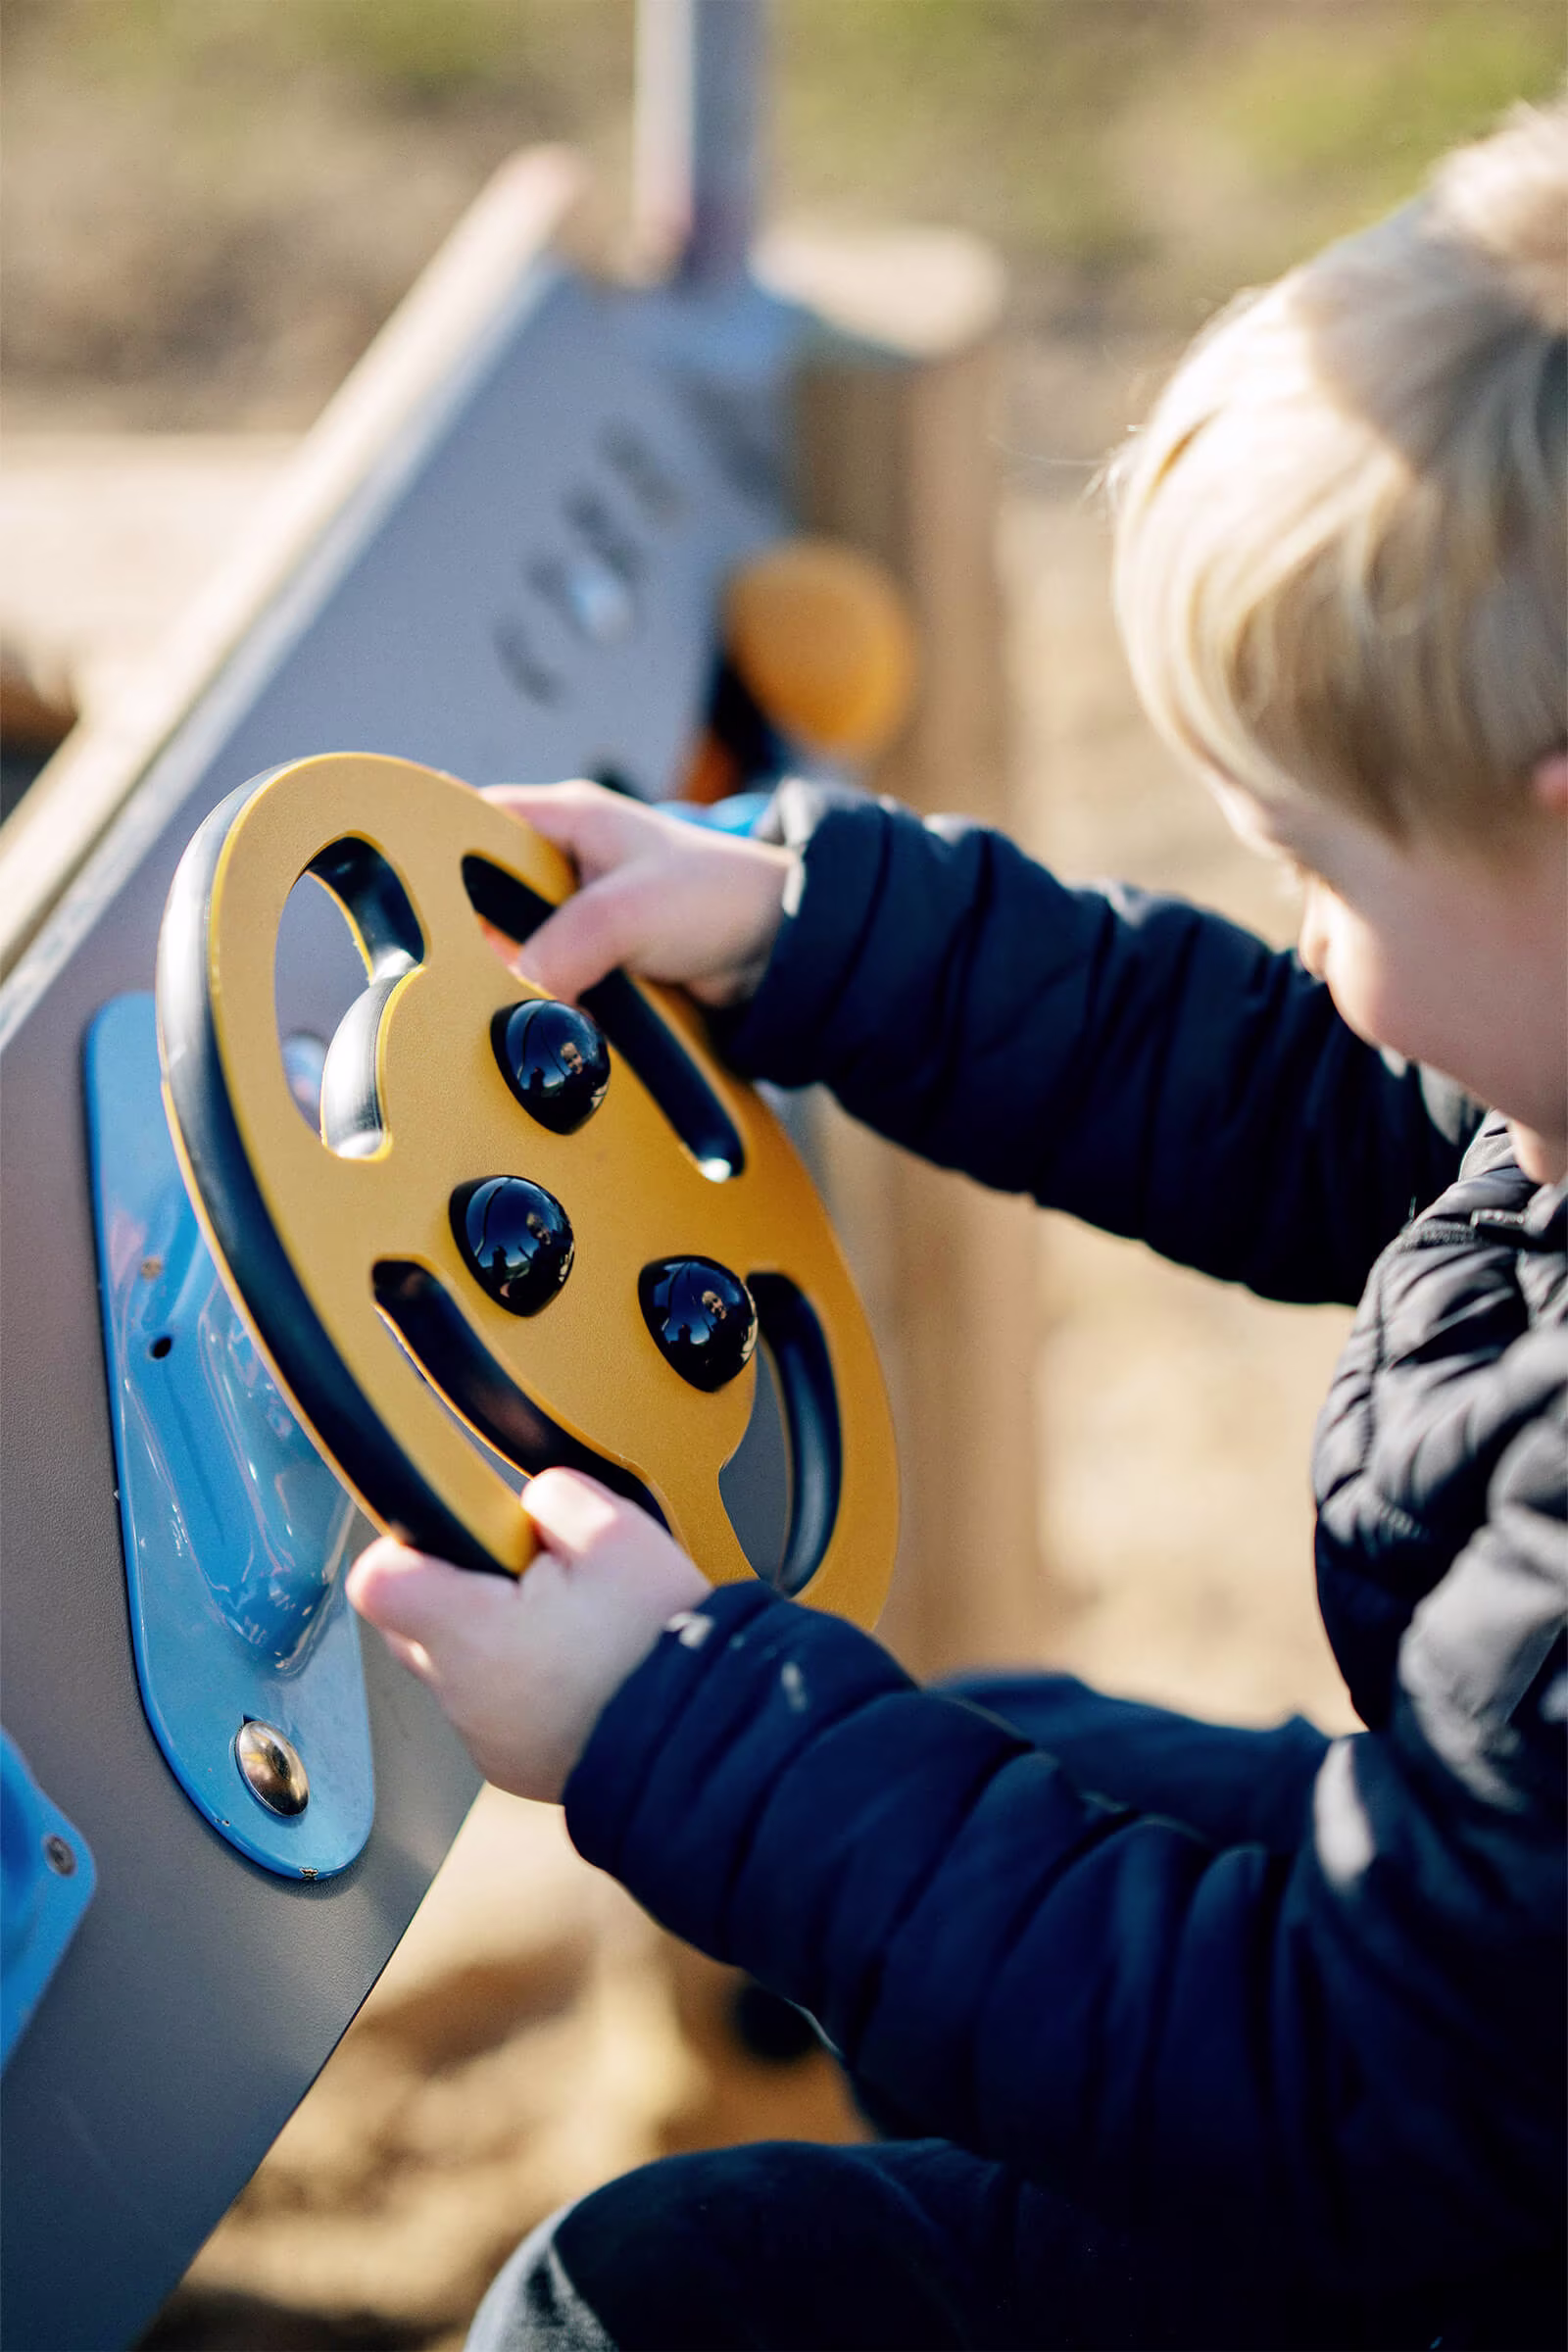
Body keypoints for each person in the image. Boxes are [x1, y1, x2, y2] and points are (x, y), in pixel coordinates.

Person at [348, 100, 1566, 2352]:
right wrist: (813, 930)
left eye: (1319, 867)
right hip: (1472, 2002)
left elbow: (1326, 2085)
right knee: (1001, 1758)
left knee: (648, 2301)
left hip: (1442, 2186)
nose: (1301, 946)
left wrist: (664, 1731)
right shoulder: (1538, 1067)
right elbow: (1291, 1094)